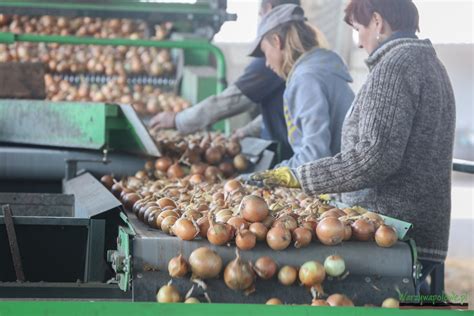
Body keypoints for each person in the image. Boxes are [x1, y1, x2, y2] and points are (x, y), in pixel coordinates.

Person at [253, 0, 456, 295]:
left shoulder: (395, 67)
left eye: (359, 29)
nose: (359, 42)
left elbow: (374, 158)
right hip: (419, 230)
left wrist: (302, 177)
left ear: (377, 22)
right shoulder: (429, 63)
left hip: (392, 232)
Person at [149, 0, 301, 162]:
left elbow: (233, 100)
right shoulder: (299, 53)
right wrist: (246, 131)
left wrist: (178, 120)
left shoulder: (276, 57)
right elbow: (283, 109)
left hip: (289, 159)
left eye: (259, 14)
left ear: (269, 9)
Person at [249, 4, 354, 168]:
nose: (267, 63)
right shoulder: (323, 68)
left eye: (265, 52)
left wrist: (271, 175)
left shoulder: (306, 78)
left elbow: (314, 158)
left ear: (277, 42)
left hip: (335, 190)